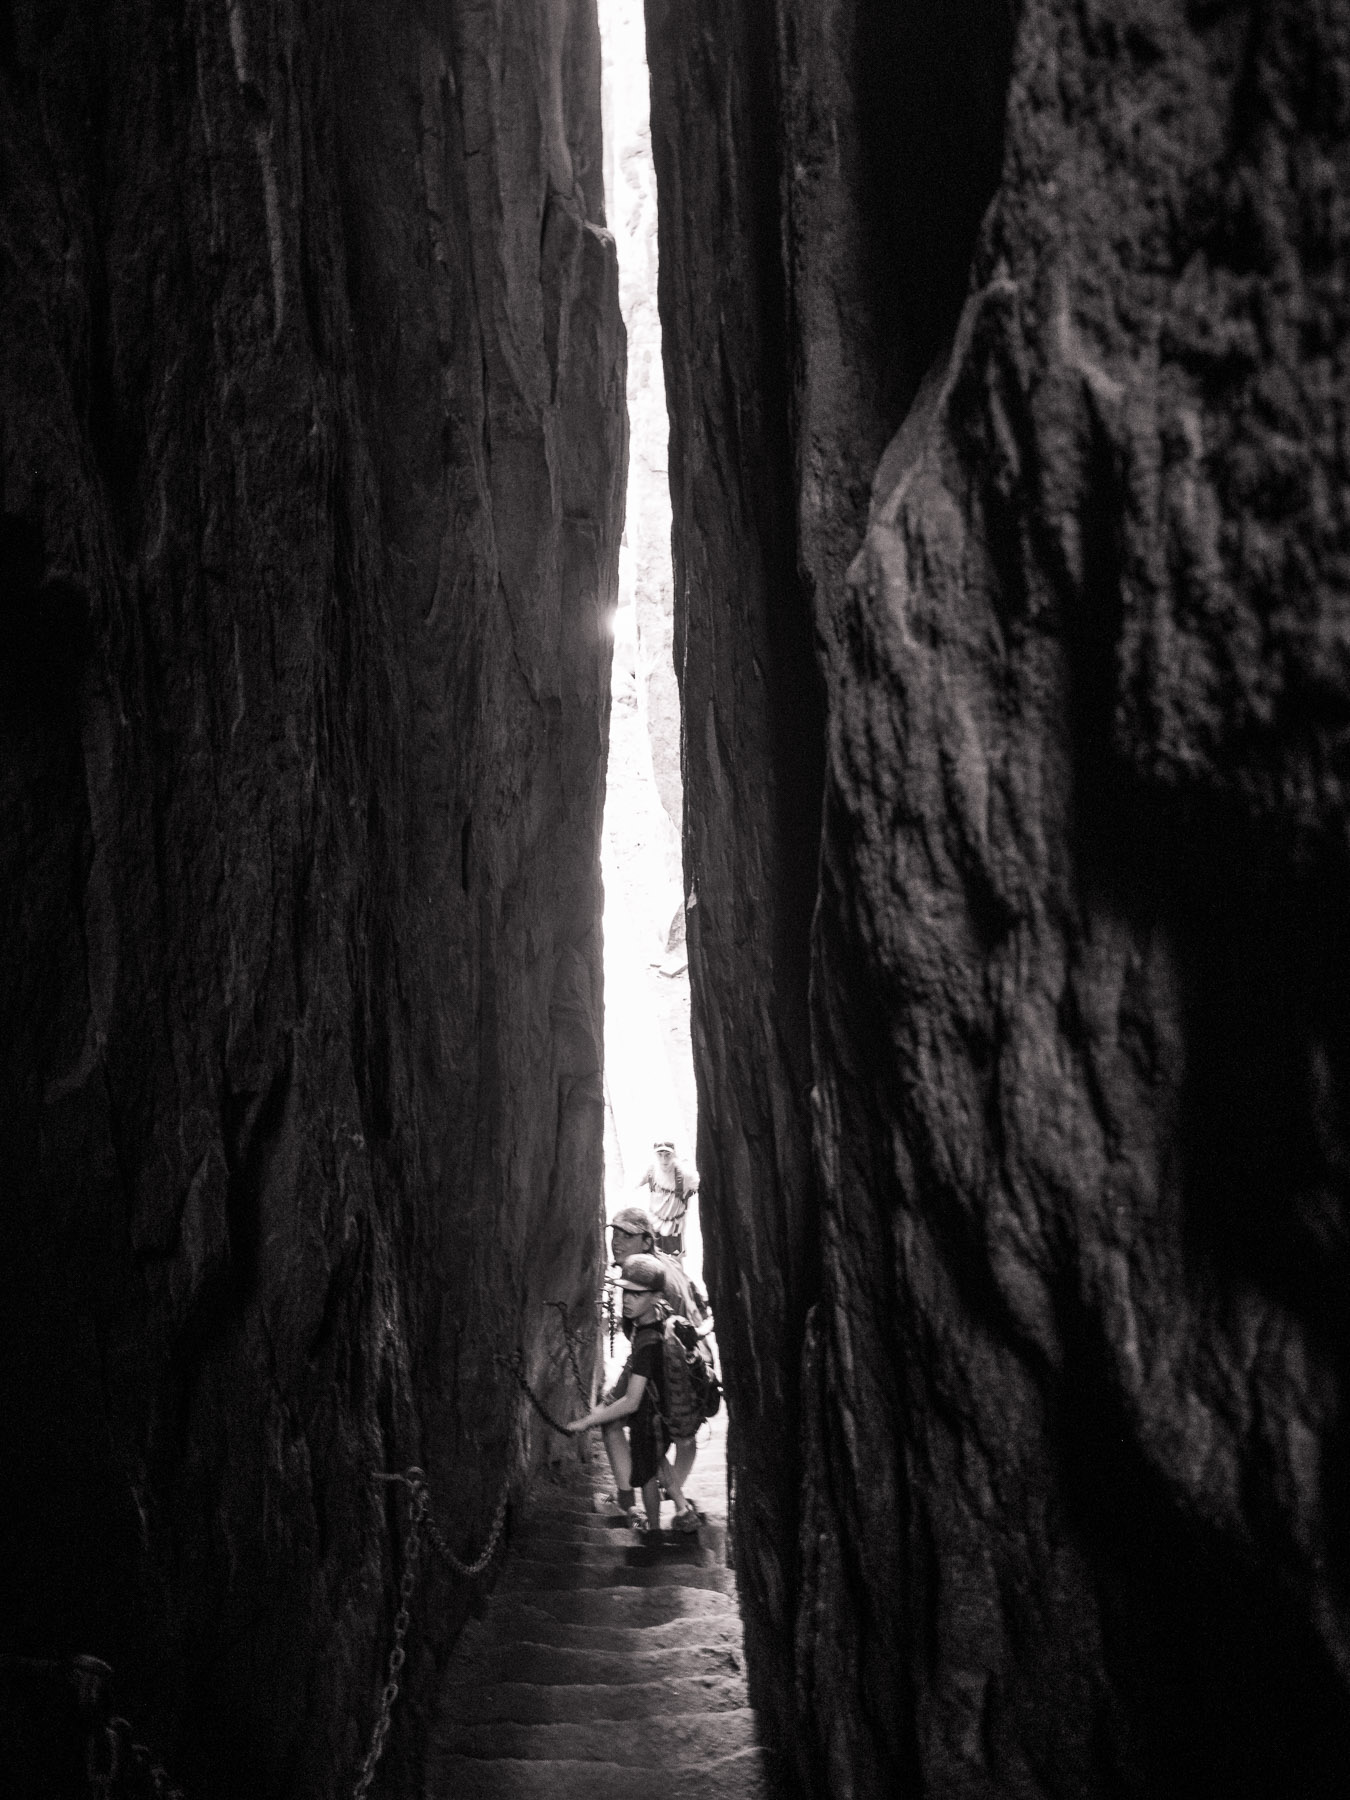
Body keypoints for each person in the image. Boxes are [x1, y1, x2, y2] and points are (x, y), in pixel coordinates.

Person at [566, 1255, 697, 1532]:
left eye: (637, 1294)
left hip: (649, 1418)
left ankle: (653, 1534)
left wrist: (588, 1421)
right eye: (626, 1292)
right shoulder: (657, 1319)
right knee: (656, 1462)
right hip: (660, 1411)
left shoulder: (647, 1340)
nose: (627, 1299)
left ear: (656, 1296)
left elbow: (632, 1400)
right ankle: (683, 1510)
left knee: (648, 1475)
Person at [596, 1207, 707, 1525]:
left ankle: (633, 1504)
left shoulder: (647, 1278)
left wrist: (621, 1395)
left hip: (670, 1370)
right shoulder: (667, 1263)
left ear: (646, 1241)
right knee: (682, 1440)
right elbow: (696, 1309)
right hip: (691, 1366)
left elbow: (654, 1338)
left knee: (618, 1421)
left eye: (626, 1235)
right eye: (614, 1233)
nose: (616, 1241)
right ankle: (673, 1500)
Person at [635, 1140, 699, 1257]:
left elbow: (698, 1184)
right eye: (660, 1155)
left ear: (674, 1154)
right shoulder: (652, 1171)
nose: (664, 1159)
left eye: (667, 1155)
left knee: (673, 1260)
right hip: (654, 1222)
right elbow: (635, 1185)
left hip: (673, 1226)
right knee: (652, 1255)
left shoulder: (684, 1174)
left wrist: (686, 1195)